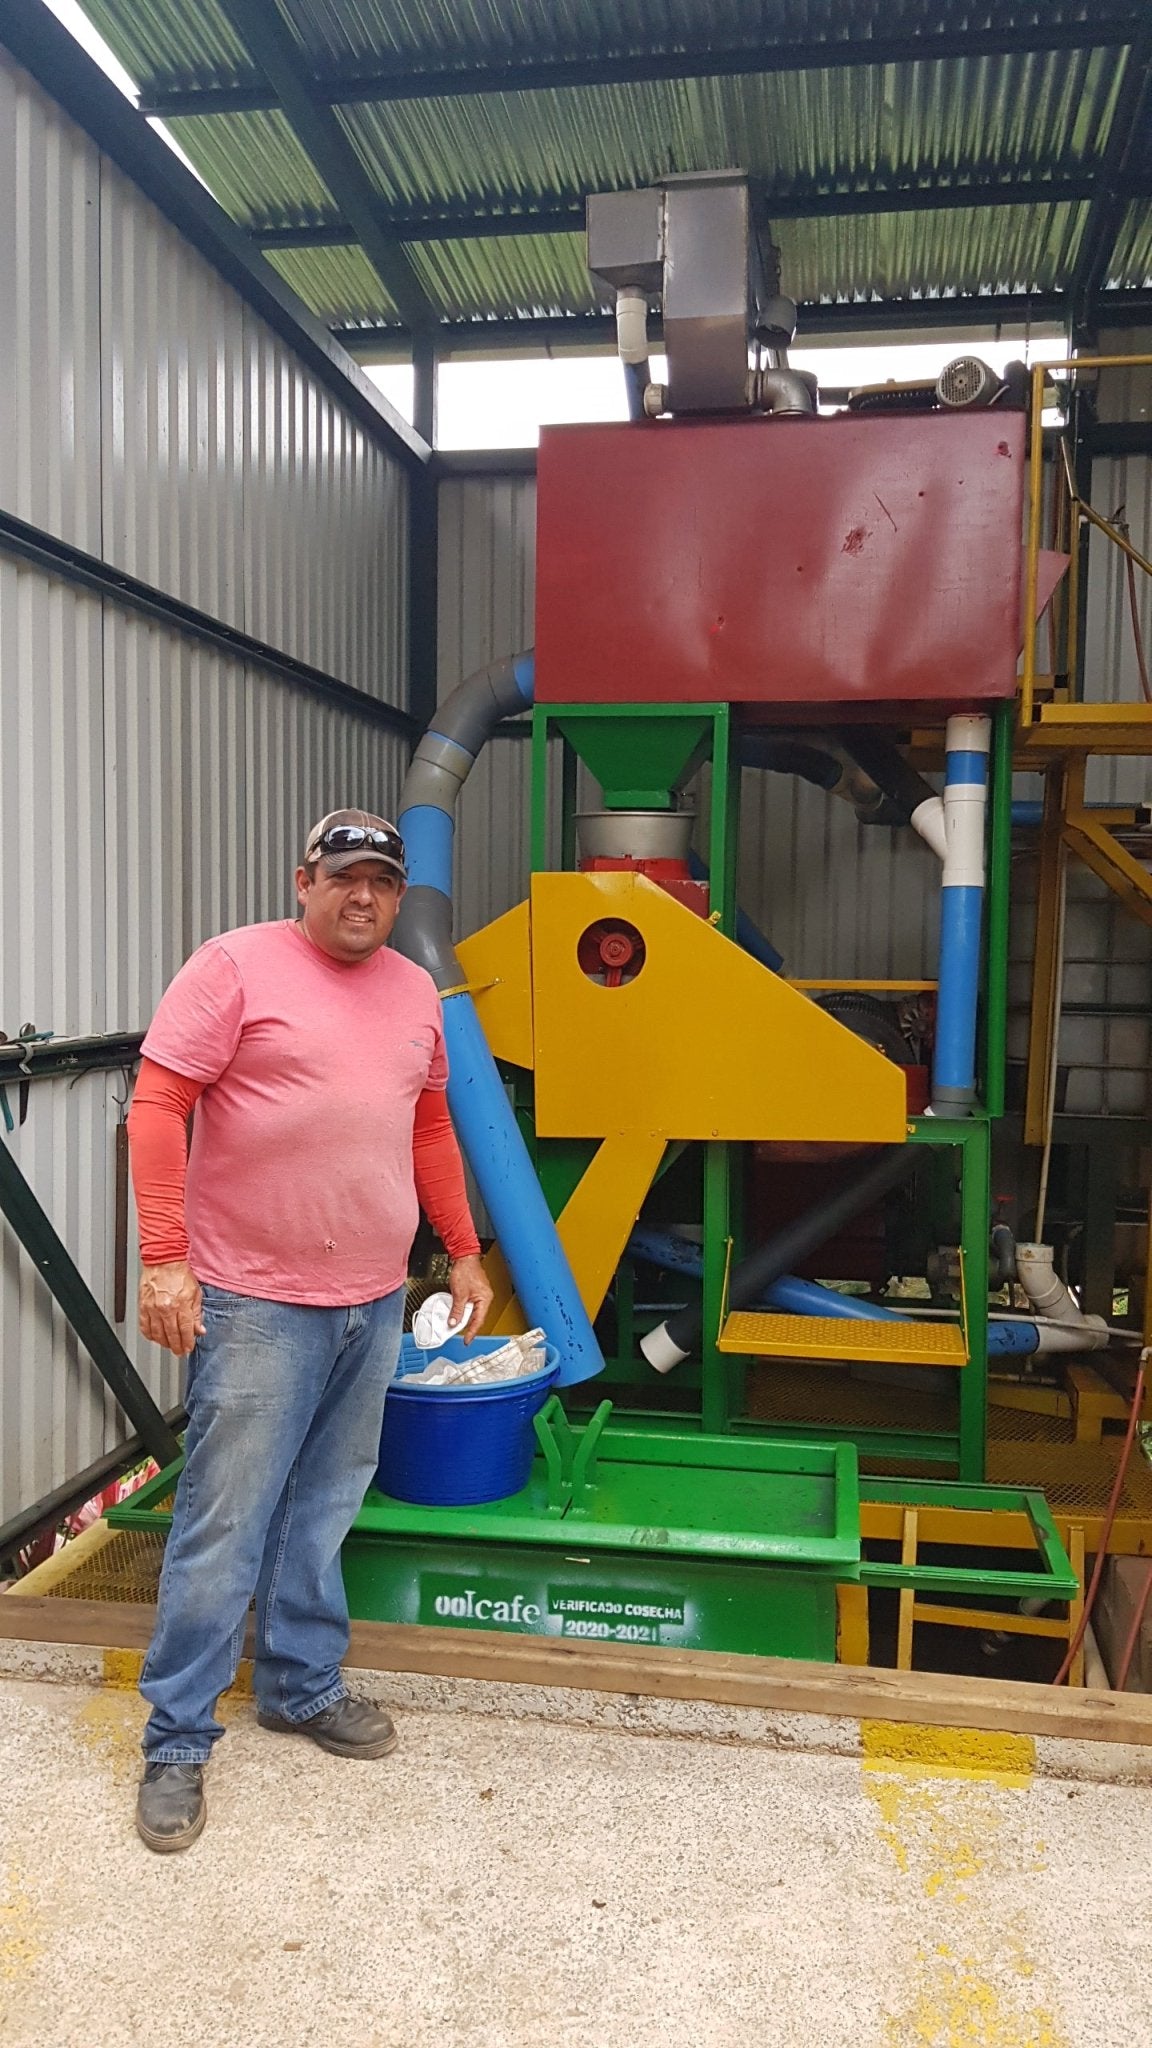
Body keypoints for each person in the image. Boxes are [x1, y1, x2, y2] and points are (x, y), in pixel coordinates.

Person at [126, 808, 492, 1853]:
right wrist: (164, 1257)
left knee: (326, 1503)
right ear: (305, 879)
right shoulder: (235, 966)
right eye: (345, 877)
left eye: (382, 880)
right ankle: (178, 1737)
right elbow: (158, 1105)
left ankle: (298, 1683)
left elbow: (428, 1125)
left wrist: (461, 1246)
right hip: (253, 1297)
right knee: (224, 1518)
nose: (363, 896)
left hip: (371, 1297)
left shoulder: (416, 991)